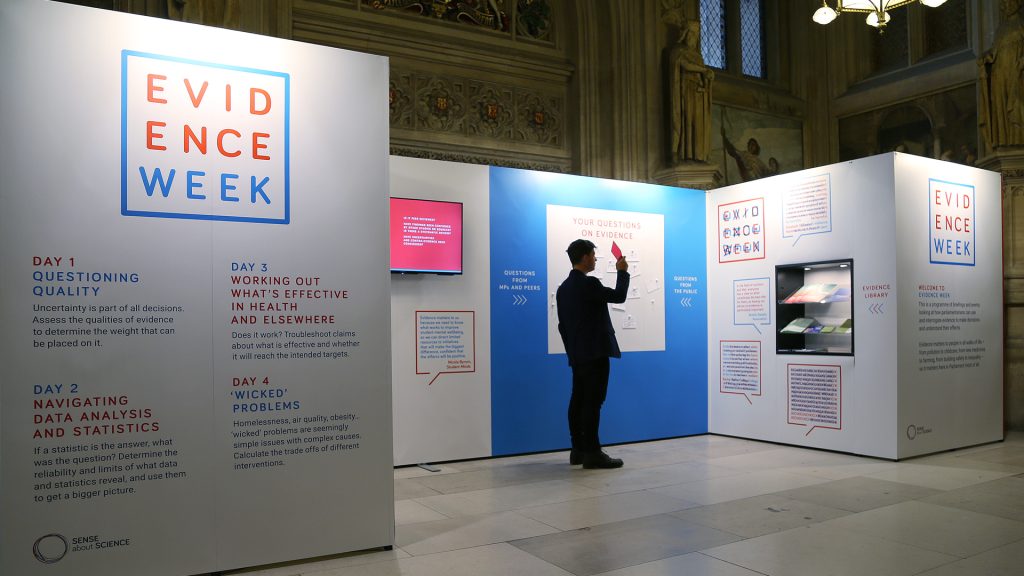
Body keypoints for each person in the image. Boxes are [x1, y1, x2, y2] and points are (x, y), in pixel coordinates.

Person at [556, 239, 629, 469]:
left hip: (577, 355)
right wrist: (622, 272)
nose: (596, 259)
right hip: (595, 353)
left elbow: (563, 327)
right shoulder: (589, 284)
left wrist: (572, 352)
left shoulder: (563, 289)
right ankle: (593, 452)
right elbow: (619, 296)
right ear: (585, 257)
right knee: (593, 402)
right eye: (594, 255)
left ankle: (577, 450)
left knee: (577, 400)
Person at [668, 21, 714, 163]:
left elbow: (703, 74)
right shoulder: (678, 52)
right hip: (686, 91)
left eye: (696, 34)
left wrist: (709, 76)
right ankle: (686, 154)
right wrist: (703, 70)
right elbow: (684, 65)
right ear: (685, 34)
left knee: (698, 124)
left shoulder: (698, 56)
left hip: (699, 93)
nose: (693, 37)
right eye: (691, 33)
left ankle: (698, 155)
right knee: (687, 121)